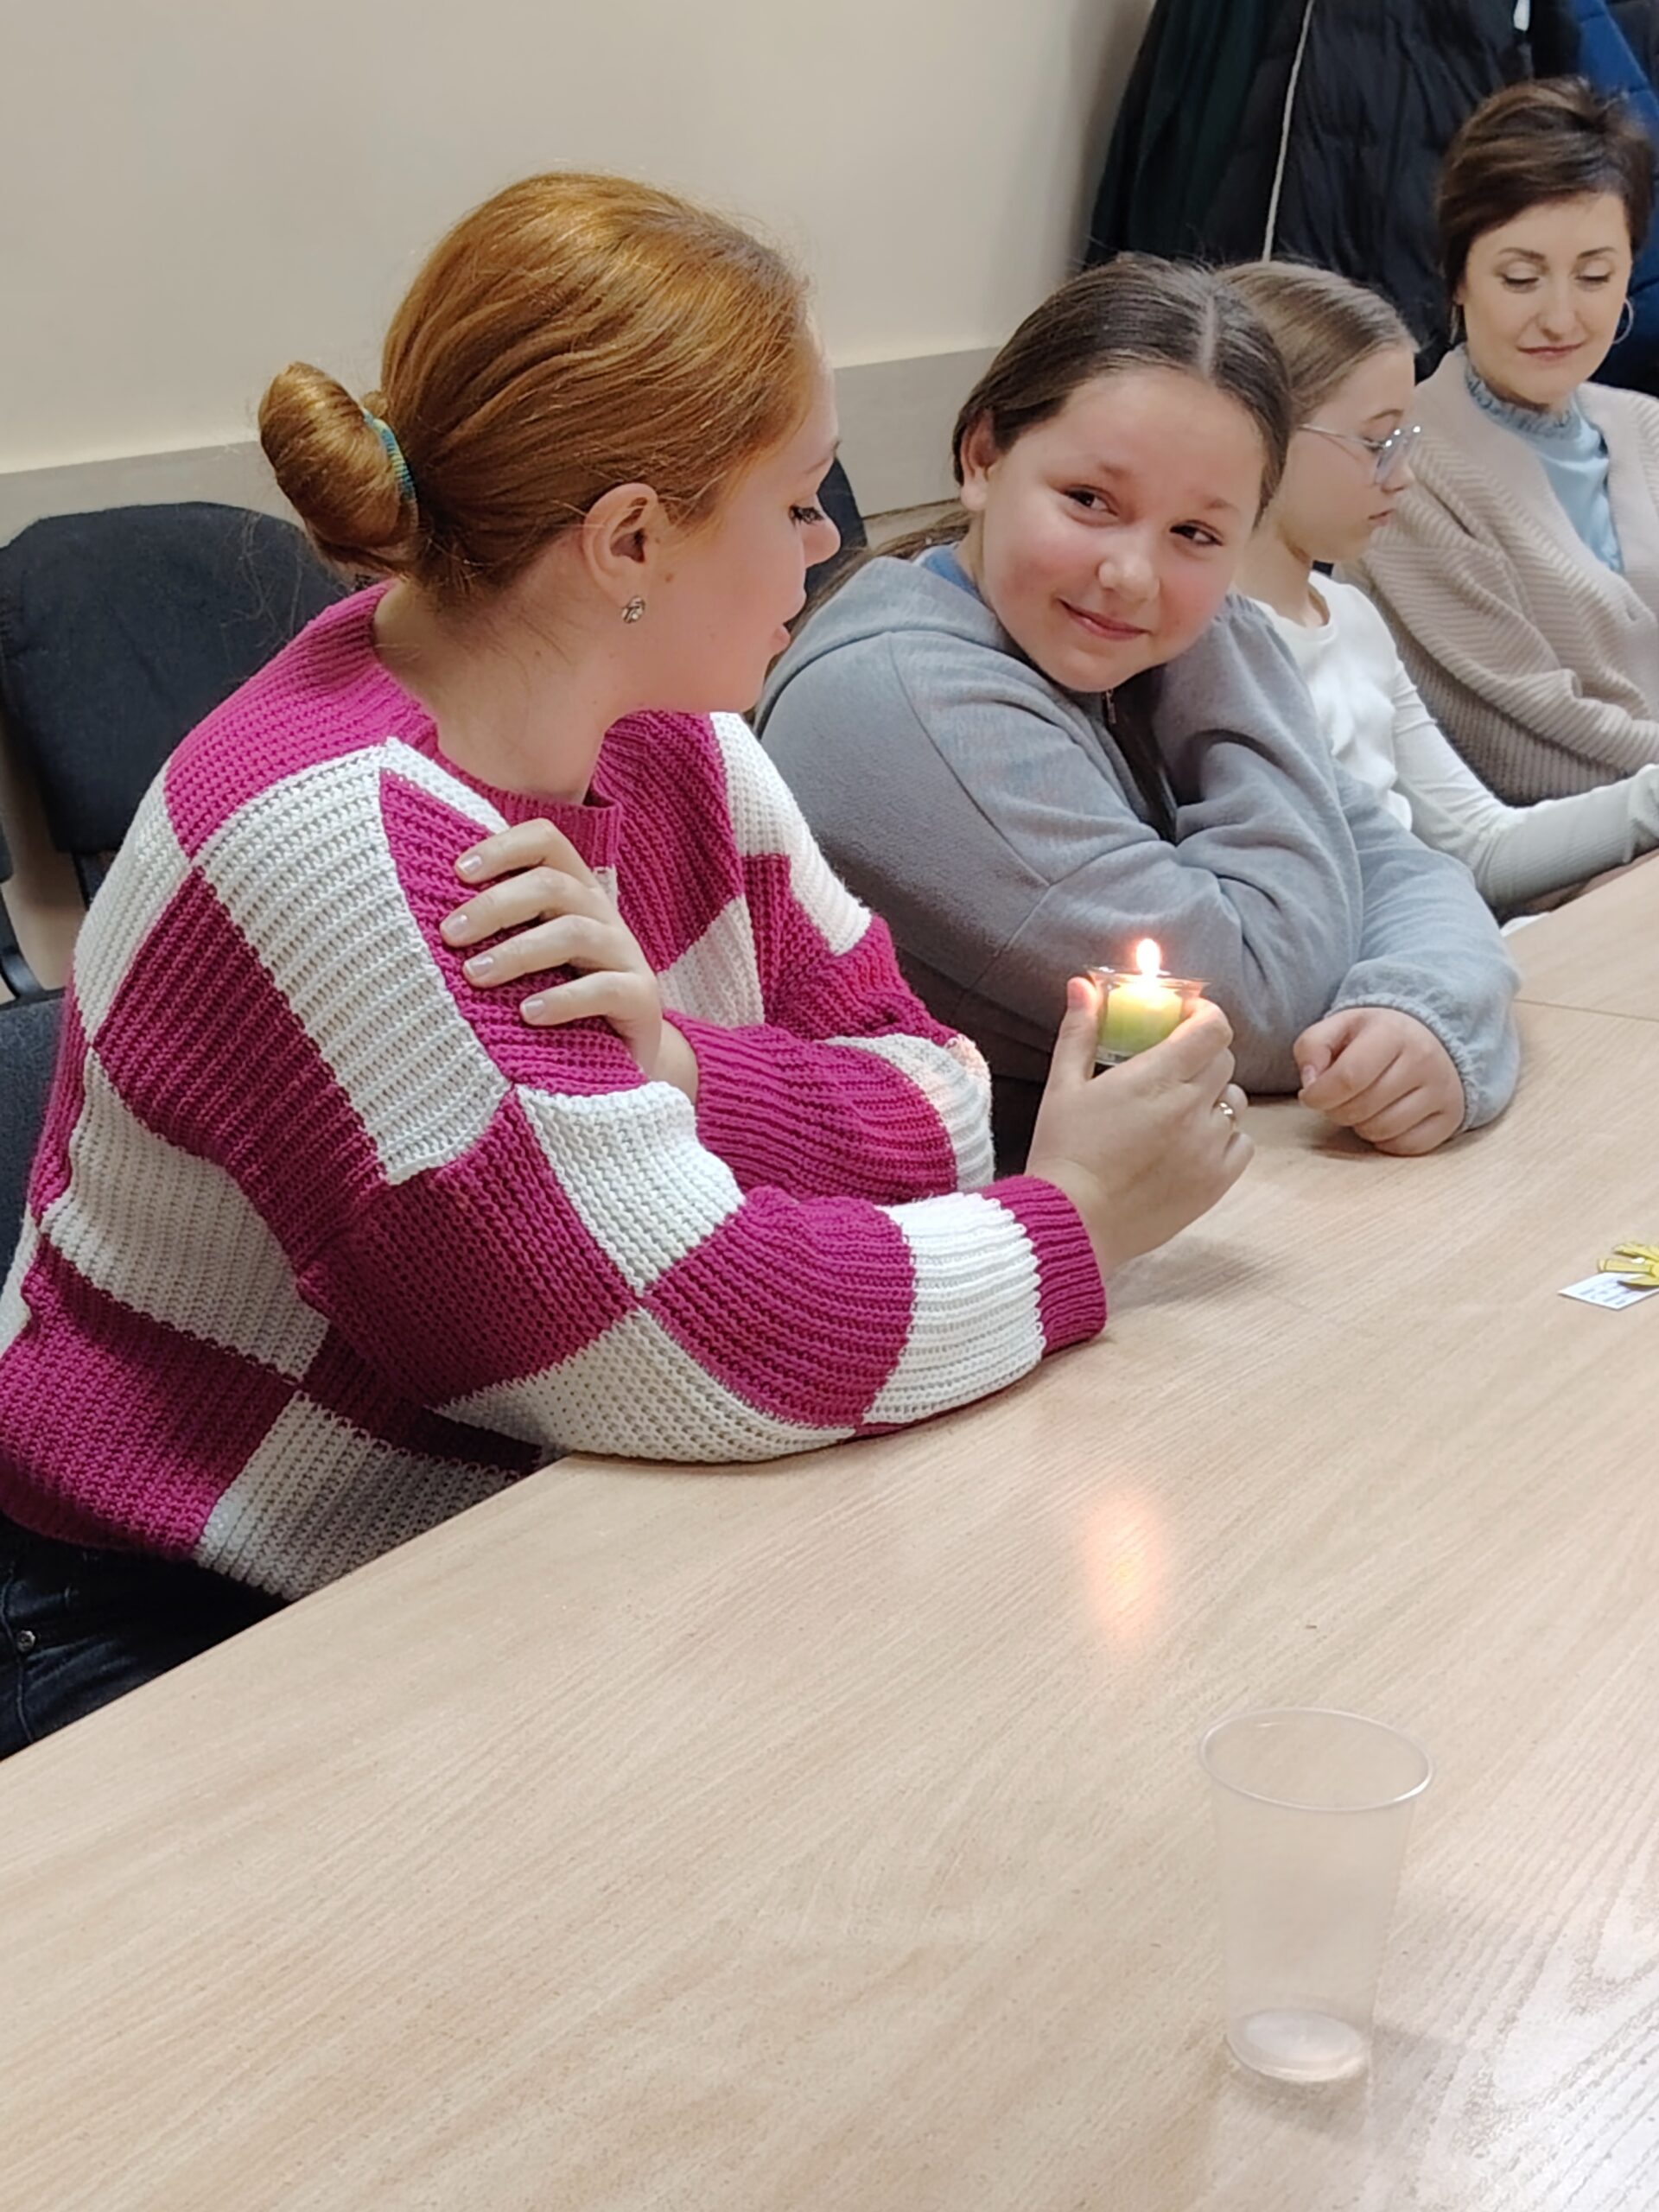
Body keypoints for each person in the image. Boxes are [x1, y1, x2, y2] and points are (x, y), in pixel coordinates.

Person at [0, 175, 1249, 1754]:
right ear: (633, 540)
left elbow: (933, 1104)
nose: (827, 544)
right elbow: (706, 1341)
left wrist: (680, 1065)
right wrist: (1074, 1222)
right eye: (796, 503)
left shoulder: (674, 729)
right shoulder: (340, 841)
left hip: (519, 1528)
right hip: (180, 1618)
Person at [756, 255, 1519, 1168]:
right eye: (1090, 501)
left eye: (1196, 532)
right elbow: (1262, 1001)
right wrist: (1224, 624)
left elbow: (1398, 864)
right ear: (983, 458)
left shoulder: (1127, 649)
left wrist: (1419, 1009)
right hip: (978, 1235)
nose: (1130, 574)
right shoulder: (899, 702)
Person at [1229, 258, 1659, 914]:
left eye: (1405, 440)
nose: (1403, 474)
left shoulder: (1351, 617)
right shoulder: (1215, 644)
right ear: (1260, 434)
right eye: (1377, 443)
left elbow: (1479, 845)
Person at [1347, 77, 1659, 803]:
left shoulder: (1647, 428)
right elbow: (1525, 744)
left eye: (1595, 276)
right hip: (1570, 853)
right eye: (1521, 278)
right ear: (1457, 279)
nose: (1561, 318)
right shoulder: (1404, 473)